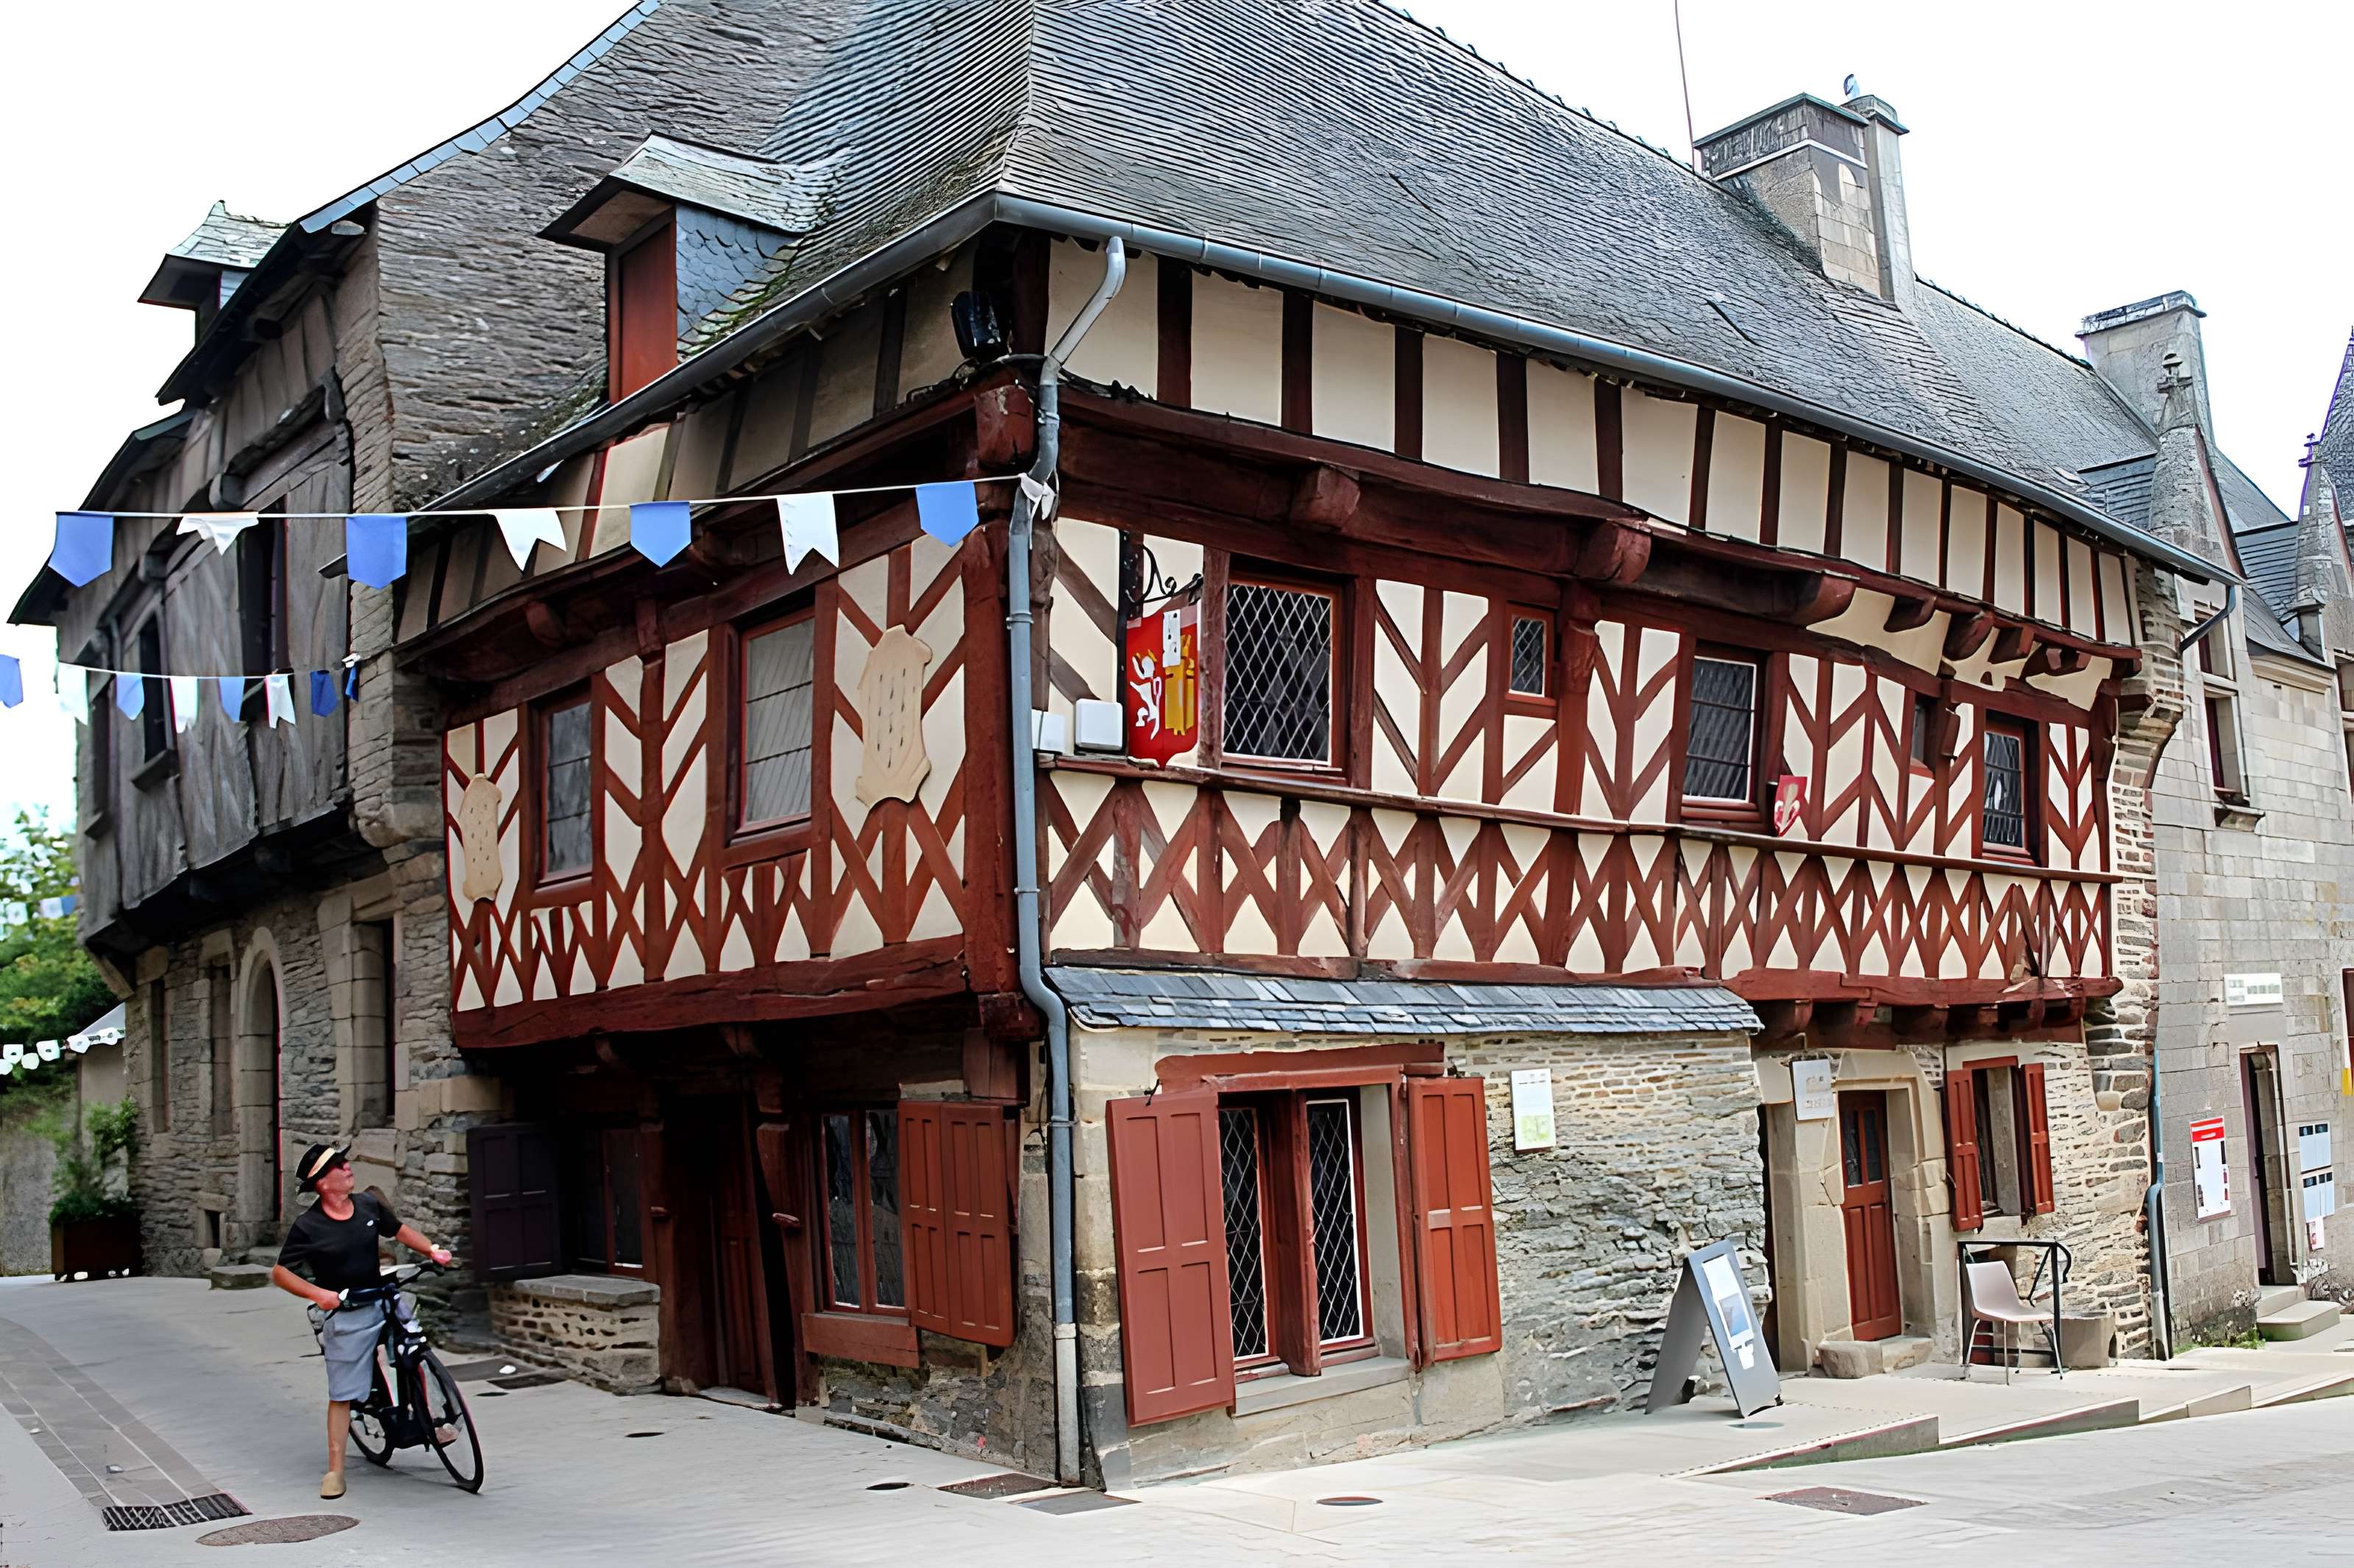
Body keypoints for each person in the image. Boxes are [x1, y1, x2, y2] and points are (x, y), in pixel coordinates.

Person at [269, 1143, 453, 1500]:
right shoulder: (308, 1226)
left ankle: (430, 1420)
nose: (347, 1166)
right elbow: (281, 1273)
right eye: (338, 1165)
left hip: (382, 1298)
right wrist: (319, 1295)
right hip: (347, 1310)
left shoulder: (368, 1205)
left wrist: (432, 1250)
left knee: (414, 1353)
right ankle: (335, 1470)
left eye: (344, 1160)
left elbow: (398, 1230)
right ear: (322, 1183)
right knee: (342, 1394)